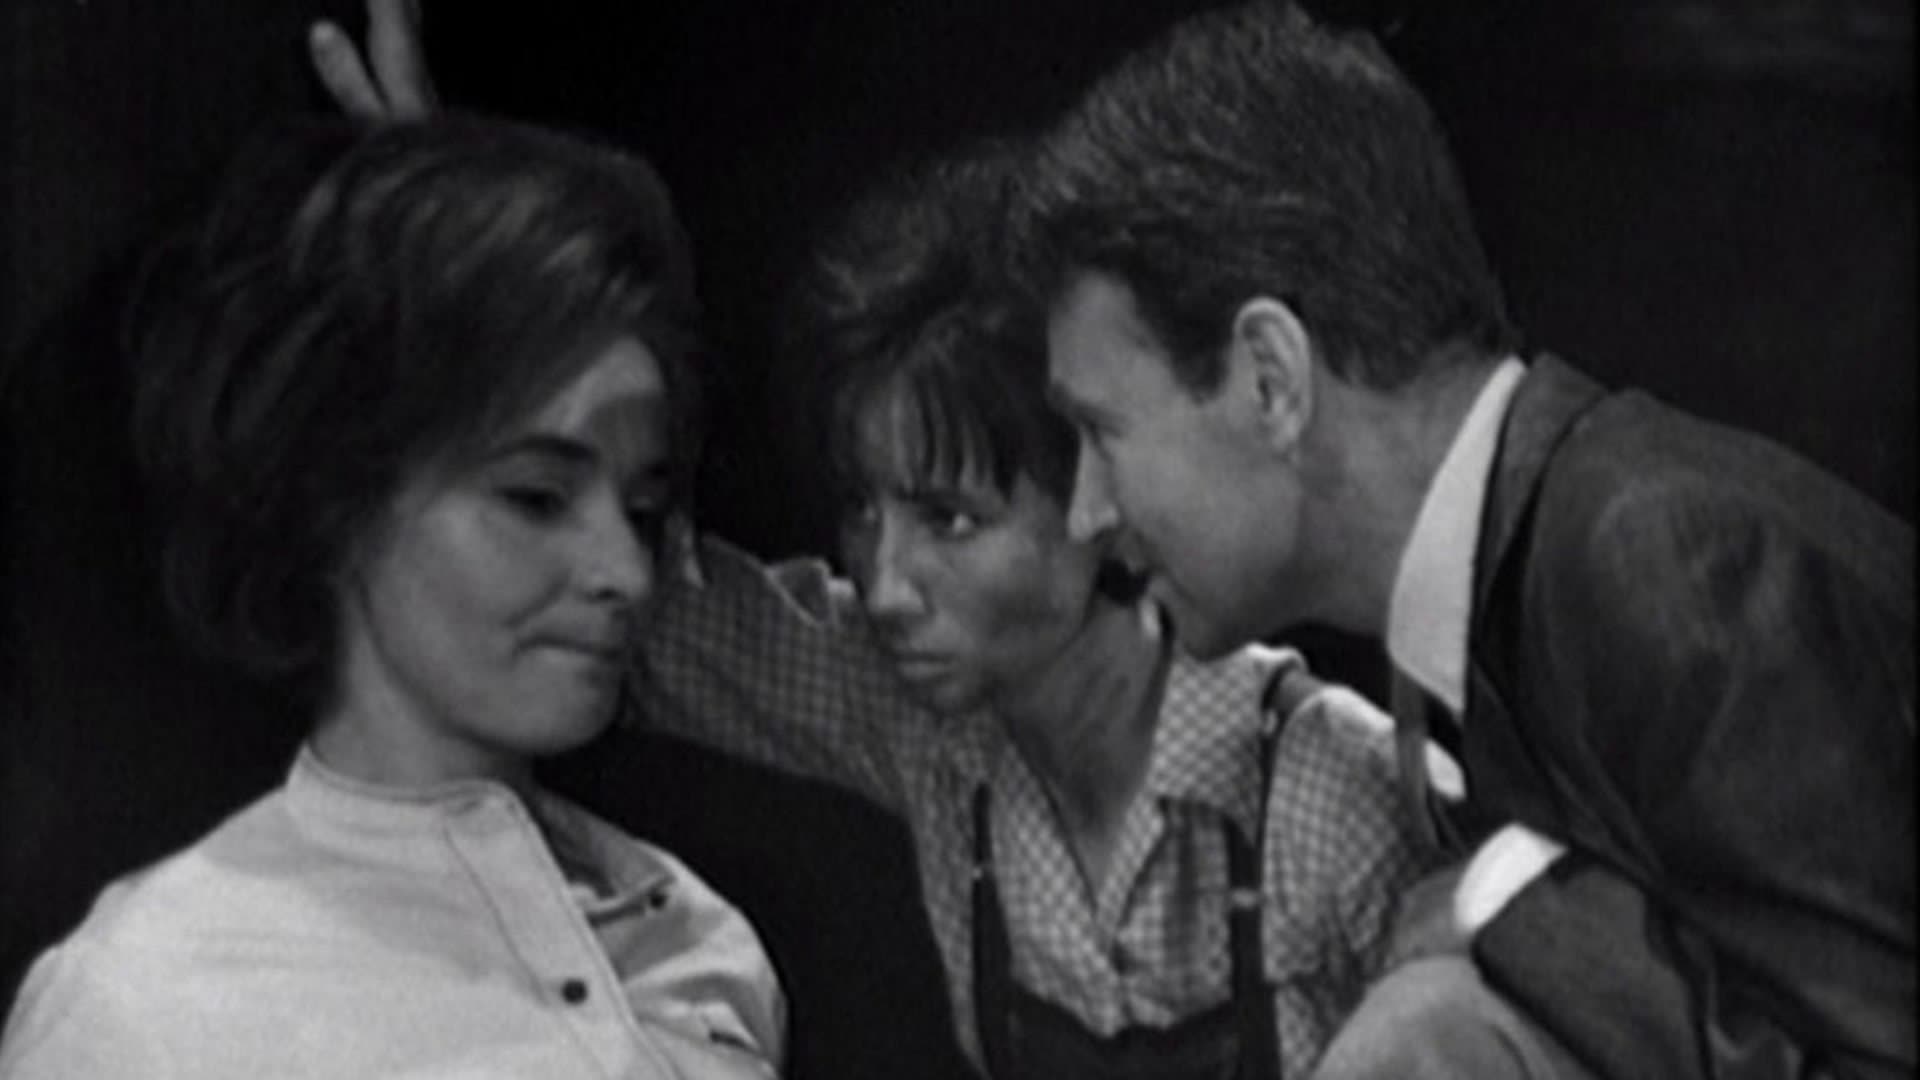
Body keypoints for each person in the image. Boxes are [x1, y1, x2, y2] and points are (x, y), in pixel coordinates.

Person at [303, 13, 1440, 1074]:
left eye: (951, 518)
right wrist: (472, 267)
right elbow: (629, 608)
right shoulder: (933, 733)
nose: (886, 585)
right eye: (862, 508)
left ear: (1100, 494)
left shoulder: (1334, 793)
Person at [1017, 3, 1915, 1079]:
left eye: (1101, 432)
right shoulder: (1505, 591)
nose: (1085, 512)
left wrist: (1508, 900)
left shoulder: (1663, 563)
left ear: (1271, 380)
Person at [0, 115, 784, 1079]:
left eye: (643, 508)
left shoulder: (698, 944)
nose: (626, 570)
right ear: (341, 498)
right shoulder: (145, 999)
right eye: (536, 498)